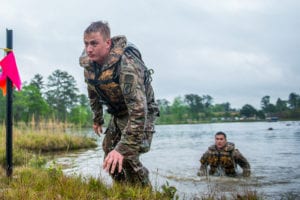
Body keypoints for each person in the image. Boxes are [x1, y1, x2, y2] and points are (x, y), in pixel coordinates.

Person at [79, 21, 159, 186]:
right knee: (109, 150)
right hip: (120, 113)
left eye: (94, 43)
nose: (89, 49)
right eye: (86, 44)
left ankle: (143, 193)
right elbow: (93, 92)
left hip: (141, 113)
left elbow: (139, 111)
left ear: (107, 43)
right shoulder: (89, 66)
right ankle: (123, 190)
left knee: (127, 152)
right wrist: (97, 118)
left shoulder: (126, 66)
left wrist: (122, 149)